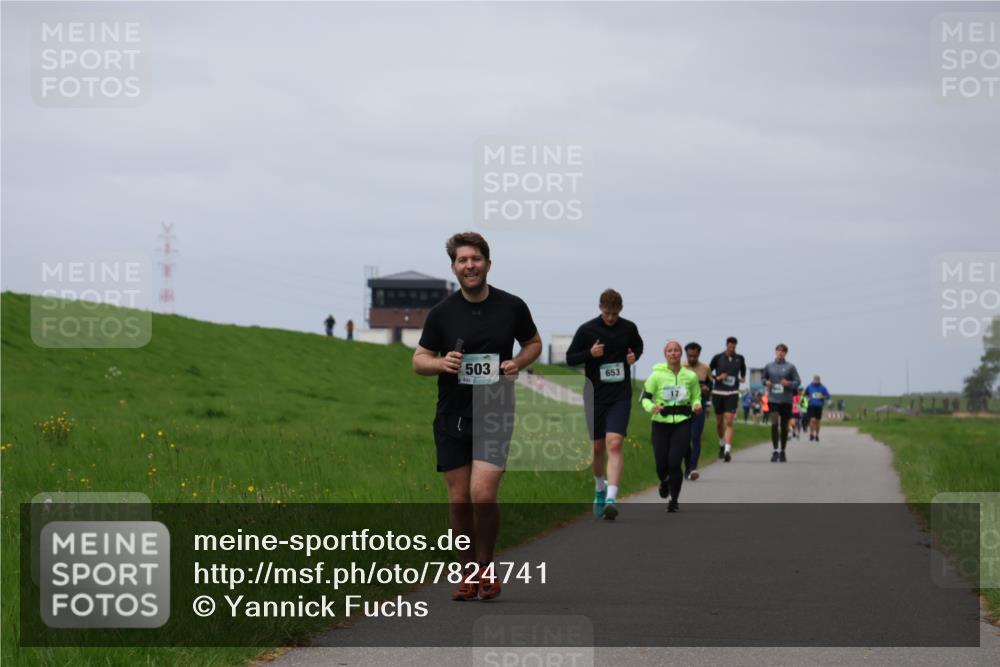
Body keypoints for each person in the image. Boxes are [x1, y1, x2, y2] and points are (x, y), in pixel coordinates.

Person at [412, 232, 542, 601]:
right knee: (459, 501)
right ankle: (468, 571)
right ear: (454, 267)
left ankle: (487, 566)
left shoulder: (512, 307)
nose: (469, 265)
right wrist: (441, 362)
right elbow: (418, 360)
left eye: (476, 259)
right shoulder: (442, 313)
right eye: (462, 260)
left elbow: (534, 343)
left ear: (488, 263)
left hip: (495, 410)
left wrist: (517, 362)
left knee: (482, 495)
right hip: (452, 414)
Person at [565, 289, 644, 520]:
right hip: (595, 396)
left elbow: (638, 347)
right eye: (608, 313)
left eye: (615, 313)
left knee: (615, 443)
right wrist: (590, 353)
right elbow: (570, 358)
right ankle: (600, 488)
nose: (611, 318)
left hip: (620, 395)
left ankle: (612, 497)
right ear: (600, 308)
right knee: (597, 448)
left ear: (621, 310)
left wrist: (634, 357)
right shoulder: (587, 330)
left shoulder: (628, 328)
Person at [640, 340, 702, 512]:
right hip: (660, 424)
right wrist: (652, 407)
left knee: (675, 463)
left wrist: (697, 404)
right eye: (670, 351)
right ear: (665, 354)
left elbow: (696, 396)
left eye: (676, 350)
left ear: (681, 354)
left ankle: (674, 499)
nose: (673, 353)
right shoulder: (656, 376)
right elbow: (644, 398)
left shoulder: (690, 376)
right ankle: (664, 481)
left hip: (682, 421)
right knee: (661, 464)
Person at [708, 336, 746, 462]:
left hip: (732, 392)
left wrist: (742, 378)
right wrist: (718, 378)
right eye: (730, 346)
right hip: (718, 392)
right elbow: (708, 373)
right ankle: (721, 443)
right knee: (719, 423)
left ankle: (727, 450)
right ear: (726, 345)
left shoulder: (739, 358)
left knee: (729, 421)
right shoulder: (718, 357)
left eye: (734, 347)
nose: (732, 348)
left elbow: (743, 370)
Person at [762, 344, 802, 462]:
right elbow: (763, 379)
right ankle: (775, 451)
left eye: (783, 351)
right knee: (774, 424)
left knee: (784, 427)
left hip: (786, 400)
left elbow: (798, 381)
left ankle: (783, 451)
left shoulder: (790, 367)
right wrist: (766, 383)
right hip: (773, 399)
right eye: (778, 351)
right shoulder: (769, 366)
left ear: (785, 353)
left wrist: (788, 383)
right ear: (775, 352)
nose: (780, 353)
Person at [682, 342, 712, 481]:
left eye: (694, 356)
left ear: (699, 354)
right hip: (683, 406)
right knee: (684, 438)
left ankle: (693, 467)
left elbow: (711, 385)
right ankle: (687, 466)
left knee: (695, 436)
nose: (692, 359)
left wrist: (706, 389)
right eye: (689, 356)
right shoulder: (681, 367)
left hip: (699, 406)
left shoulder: (705, 368)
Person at [804, 375, 831, 441]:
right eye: (815, 380)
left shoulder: (823, 387)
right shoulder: (809, 387)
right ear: (813, 380)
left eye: (817, 380)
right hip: (811, 406)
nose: (816, 381)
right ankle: (811, 434)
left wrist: (823, 397)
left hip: (819, 406)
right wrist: (807, 398)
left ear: (819, 380)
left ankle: (817, 435)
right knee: (812, 420)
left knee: (817, 421)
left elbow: (828, 396)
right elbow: (804, 394)